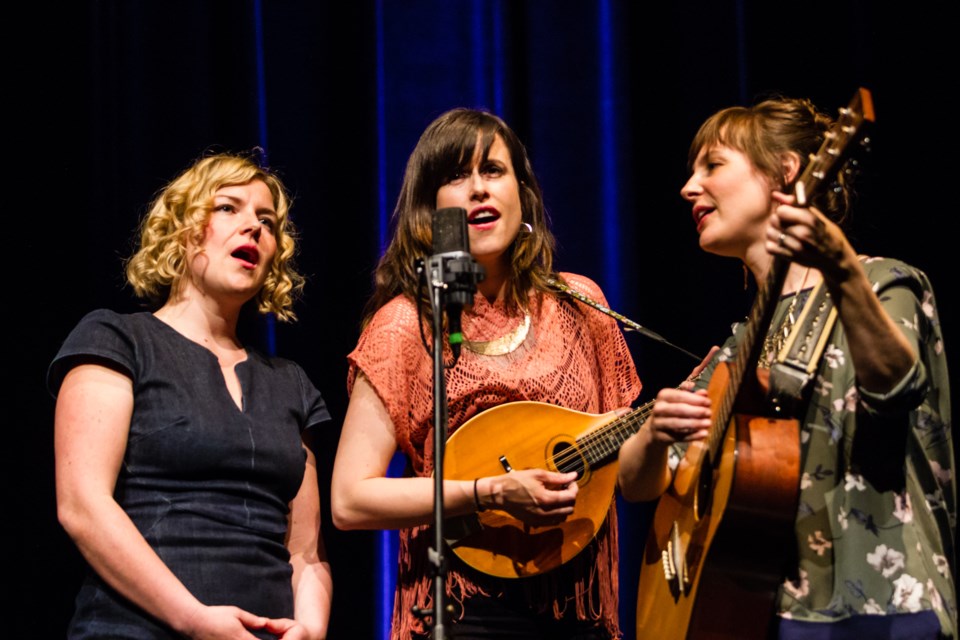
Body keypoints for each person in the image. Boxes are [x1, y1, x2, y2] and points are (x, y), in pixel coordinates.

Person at [619, 96, 956, 638]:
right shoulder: (737, 349)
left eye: (713, 165)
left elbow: (896, 386)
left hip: (880, 605)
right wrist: (656, 434)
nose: (688, 188)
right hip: (767, 614)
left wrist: (841, 268)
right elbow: (637, 485)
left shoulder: (880, 283)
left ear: (787, 173)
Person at [330, 108, 642, 639]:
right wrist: (491, 492)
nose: (478, 189)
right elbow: (349, 500)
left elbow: (630, 471)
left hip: (576, 605)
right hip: (462, 609)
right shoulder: (405, 325)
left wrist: (670, 424)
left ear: (523, 193)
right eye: (455, 176)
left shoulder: (582, 304)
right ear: (429, 211)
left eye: (493, 171)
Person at [49, 151, 333, 639]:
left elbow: (306, 552)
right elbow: (82, 505)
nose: (254, 228)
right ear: (181, 229)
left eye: (267, 220)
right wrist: (195, 619)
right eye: (229, 208)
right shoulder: (118, 341)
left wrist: (309, 629)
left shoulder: (291, 383)